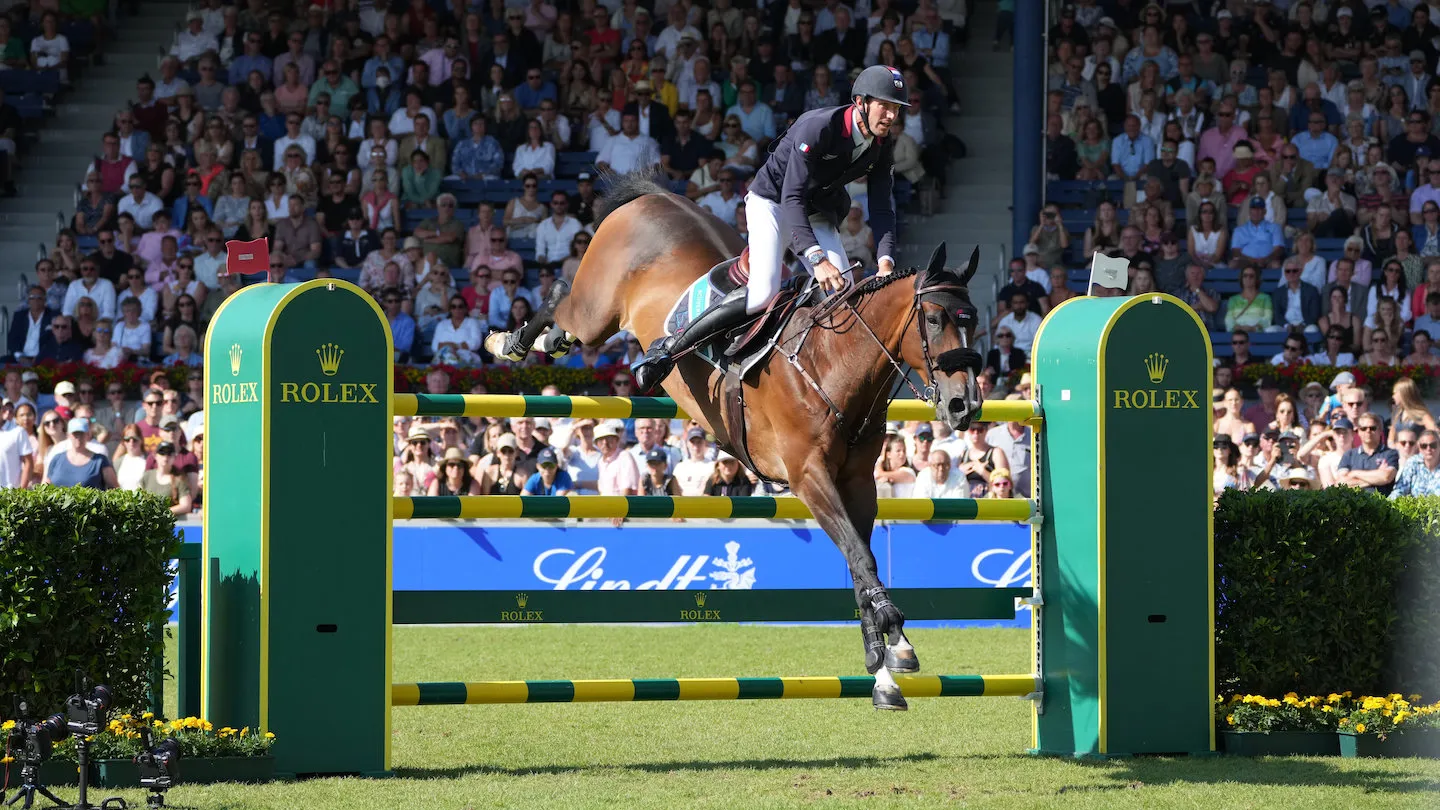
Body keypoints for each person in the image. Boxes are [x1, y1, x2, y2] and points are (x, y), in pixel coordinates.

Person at [632, 64, 907, 390]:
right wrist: (817, 260)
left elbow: (880, 206)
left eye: (896, 109)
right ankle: (667, 348)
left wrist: (886, 261)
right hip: (773, 202)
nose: (891, 115)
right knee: (763, 292)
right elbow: (791, 196)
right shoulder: (819, 126)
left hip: (816, 211)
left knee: (841, 297)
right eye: (885, 106)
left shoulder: (882, 144)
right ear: (861, 102)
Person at [1336, 412, 1399, 495]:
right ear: (1358, 431)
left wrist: (1354, 473)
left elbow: (1386, 477)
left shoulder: (1391, 453)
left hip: (1382, 504)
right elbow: (1340, 484)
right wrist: (1377, 477)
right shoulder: (1349, 455)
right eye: (1363, 428)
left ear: (1380, 431)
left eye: (1372, 428)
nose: (1368, 431)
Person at [43, 418, 116, 489]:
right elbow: (46, 486)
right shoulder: (57, 459)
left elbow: (114, 488)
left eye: (81, 434)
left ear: (88, 435)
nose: (78, 437)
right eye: (75, 434)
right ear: (68, 435)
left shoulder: (100, 460)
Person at [1389, 429, 1440, 497]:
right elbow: (1399, 489)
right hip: (1415, 507)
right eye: (1424, 446)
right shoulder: (1413, 462)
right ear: (1419, 447)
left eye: (1433, 445)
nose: (1428, 449)